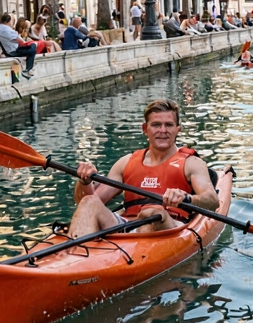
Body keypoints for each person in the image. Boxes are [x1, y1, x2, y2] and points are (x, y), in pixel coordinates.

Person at [68, 99, 219, 238]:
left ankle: (137, 260)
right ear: (145, 129)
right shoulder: (126, 162)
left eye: (168, 125)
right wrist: (85, 182)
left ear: (177, 129)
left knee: (151, 212)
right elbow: (90, 201)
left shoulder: (191, 163)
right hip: (127, 225)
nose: (162, 130)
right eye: (156, 125)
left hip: (169, 225)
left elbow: (213, 201)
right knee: (89, 202)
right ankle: (75, 255)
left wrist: (186, 198)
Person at [0, 12, 35, 77]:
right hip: (14, 51)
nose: (12, 24)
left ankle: (28, 69)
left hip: (9, 50)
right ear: (7, 21)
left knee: (32, 47)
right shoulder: (6, 29)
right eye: (11, 21)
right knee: (33, 47)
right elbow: (20, 41)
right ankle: (28, 69)